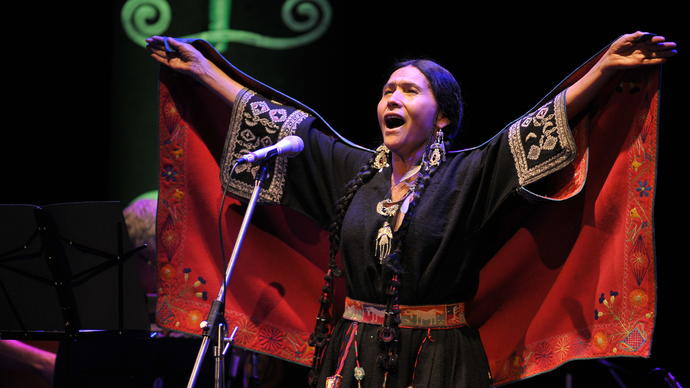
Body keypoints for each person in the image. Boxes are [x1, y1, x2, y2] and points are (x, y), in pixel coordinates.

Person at [146, 32, 676, 387]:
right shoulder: (349, 172)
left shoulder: (469, 176)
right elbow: (273, 121)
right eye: (386, 91)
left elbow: (538, 127)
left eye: (408, 90)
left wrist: (605, 70)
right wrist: (202, 73)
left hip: (441, 360)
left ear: (442, 117)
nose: (391, 99)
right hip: (352, 356)